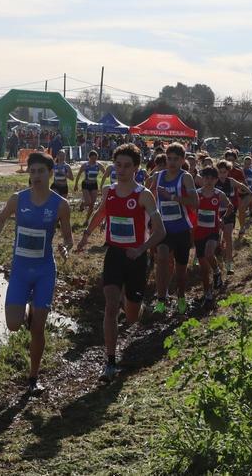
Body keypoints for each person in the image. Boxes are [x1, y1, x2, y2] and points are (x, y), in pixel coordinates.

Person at [0, 152, 73, 394]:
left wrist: (65, 247)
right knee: (13, 324)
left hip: (44, 271)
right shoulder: (17, 199)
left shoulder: (61, 205)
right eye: (32, 171)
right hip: (20, 270)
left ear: (50, 173)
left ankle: (33, 377)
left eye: (41, 171)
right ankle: (29, 311)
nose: (36, 176)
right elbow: (0, 221)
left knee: (38, 329)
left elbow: (68, 238)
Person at [76, 143, 164, 382]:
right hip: (114, 254)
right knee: (111, 306)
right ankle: (110, 361)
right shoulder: (109, 191)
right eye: (118, 165)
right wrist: (86, 235)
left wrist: (141, 249)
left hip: (136, 258)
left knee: (133, 315)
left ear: (136, 168)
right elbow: (102, 213)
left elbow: (160, 231)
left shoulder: (144, 195)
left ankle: (135, 303)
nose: (122, 170)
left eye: (127, 166)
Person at [150, 143, 198, 314]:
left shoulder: (185, 177)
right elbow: (149, 199)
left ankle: (181, 296)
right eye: (169, 158)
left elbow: (195, 202)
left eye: (176, 159)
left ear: (182, 160)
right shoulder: (158, 176)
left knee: (181, 270)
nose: (171, 162)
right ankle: (161, 299)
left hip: (182, 230)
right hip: (163, 229)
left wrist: (171, 196)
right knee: (162, 257)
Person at [194, 166, 233, 301]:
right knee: (204, 269)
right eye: (206, 178)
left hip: (213, 230)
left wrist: (222, 218)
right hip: (198, 232)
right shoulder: (196, 194)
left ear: (216, 180)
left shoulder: (219, 194)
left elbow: (230, 206)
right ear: (202, 179)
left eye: (212, 178)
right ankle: (207, 294)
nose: (209, 181)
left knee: (209, 253)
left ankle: (216, 271)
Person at [74, 150, 103, 224]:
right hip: (86, 184)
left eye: (95, 158)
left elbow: (106, 173)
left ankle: (87, 220)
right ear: (89, 158)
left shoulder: (98, 165)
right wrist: (76, 184)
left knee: (92, 204)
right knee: (88, 202)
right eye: (92, 158)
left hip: (94, 185)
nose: (94, 160)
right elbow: (79, 175)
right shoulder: (85, 165)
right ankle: (82, 205)